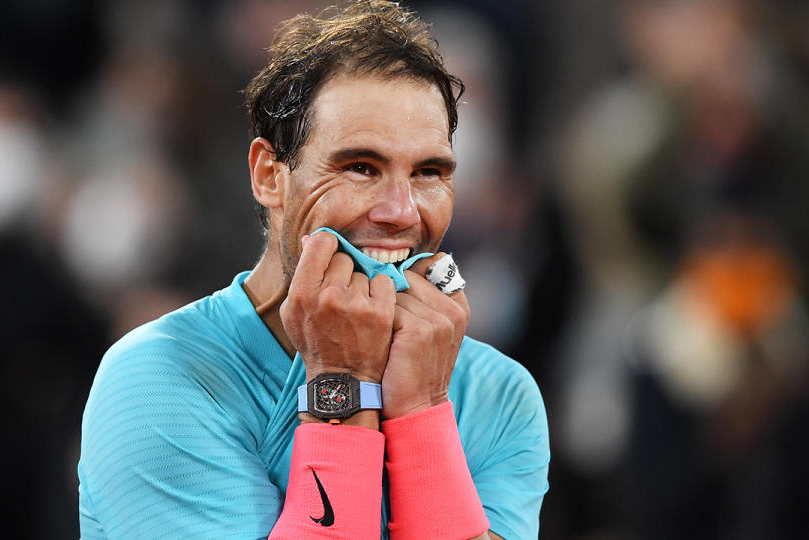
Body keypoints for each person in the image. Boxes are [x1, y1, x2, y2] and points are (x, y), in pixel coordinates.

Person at [78, 1, 549, 538]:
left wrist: (422, 409)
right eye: (360, 168)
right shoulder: (155, 380)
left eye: (428, 173)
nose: (400, 211)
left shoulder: (500, 394)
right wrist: (341, 385)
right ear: (269, 176)